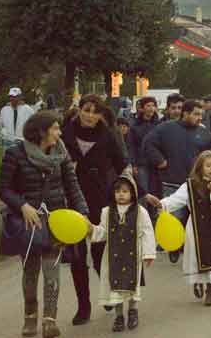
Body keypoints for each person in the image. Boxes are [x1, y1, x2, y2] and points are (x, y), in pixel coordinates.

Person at [0, 111, 89, 338]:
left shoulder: (62, 154)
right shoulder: (15, 154)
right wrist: (22, 206)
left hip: (56, 219)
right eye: (56, 128)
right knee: (30, 271)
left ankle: (50, 320)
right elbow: (4, 189)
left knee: (52, 270)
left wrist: (83, 214)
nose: (59, 133)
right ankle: (30, 317)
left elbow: (72, 186)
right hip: (29, 221)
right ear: (41, 131)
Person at [63, 94, 133, 326]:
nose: (90, 115)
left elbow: (122, 165)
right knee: (76, 256)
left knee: (99, 253)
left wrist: (133, 192)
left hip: (99, 199)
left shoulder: (108, 135)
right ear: (79, 109)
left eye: (95, 111)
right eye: (86, 109)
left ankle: (108, 294)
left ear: (101, 114)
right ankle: (83, 306)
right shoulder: (64, 133)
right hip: (70, 199)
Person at [142, 100, 211, 263]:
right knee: (175, 217)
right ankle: (173, 246)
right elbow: (148, 143)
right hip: (172, 181)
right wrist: (159, 160)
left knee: (195, 220)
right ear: (185, 113)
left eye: (201, 115)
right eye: (195, 114)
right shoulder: (167, 128)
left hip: (196, 184)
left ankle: (193, 250)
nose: (199, 118)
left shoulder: (204, 133)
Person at [161, 150, 211, 306]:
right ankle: (198, 281)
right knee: (197, 255)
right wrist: (162, 204)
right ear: (200, 167)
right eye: (208, 165)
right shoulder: (189, 185)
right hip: (195, 228)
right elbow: (176, 199)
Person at [87, 172, 155, 331]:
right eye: (118, 191)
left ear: (133, 192)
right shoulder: (106, 212)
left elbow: (147, 232)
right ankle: (118, 316)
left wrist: (149, 253)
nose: (121, 194)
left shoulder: (140, 211)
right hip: (113, 256)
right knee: (114, 287)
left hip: (133, 255)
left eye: (125, 191)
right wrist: (91, 229)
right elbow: (103, 232)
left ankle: (133, 311)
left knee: (132, 285)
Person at [129, 97, 160, 197]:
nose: (151, 108)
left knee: (156, 192)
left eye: (153, 105)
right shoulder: (134, 126)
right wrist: (133, 164)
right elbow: (131, 146)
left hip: (157, 164)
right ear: (142, 108)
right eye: (148, 106)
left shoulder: (159, 125)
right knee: (144, 192)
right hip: (141, 164)